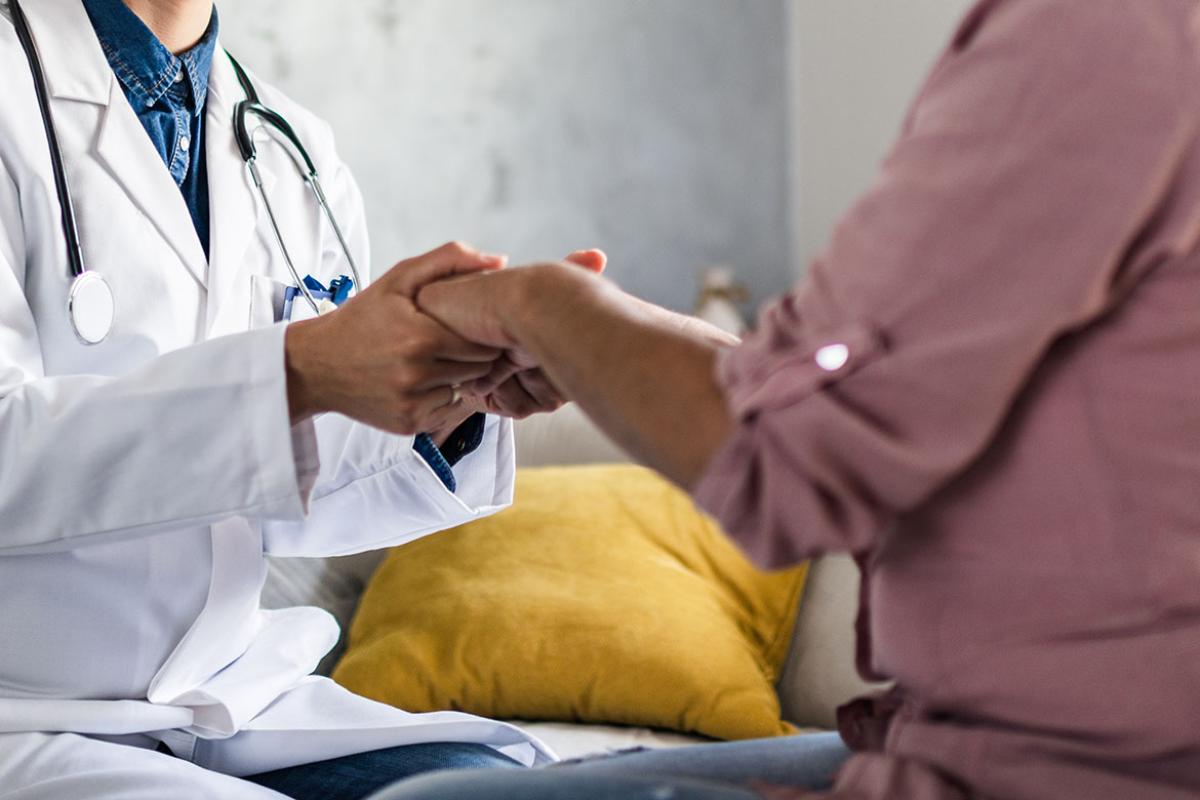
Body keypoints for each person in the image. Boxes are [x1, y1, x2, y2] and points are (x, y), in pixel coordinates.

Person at [374, 1, 1200, 798]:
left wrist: (538, 307)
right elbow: (846, 384)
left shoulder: (1102, 30)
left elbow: (783, 457)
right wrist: (593, 343)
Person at [0, 0, 599, 798]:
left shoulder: (287, 143)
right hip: (27, 717)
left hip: (238, 703)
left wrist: (453, 396)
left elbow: (274, 500)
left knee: (498, 789)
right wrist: (299, 370)